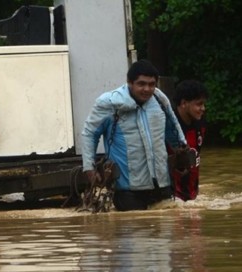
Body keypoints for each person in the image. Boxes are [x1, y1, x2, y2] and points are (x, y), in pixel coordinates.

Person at [80, 60, 187, 211]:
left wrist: (181, 152)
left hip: (162, 184)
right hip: (127, 190)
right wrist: (89, 168)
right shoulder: (110, 103)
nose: (147, 89)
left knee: (166, 230)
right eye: (141, 84)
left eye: (151, 84)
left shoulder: (159, 99)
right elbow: (90, 134)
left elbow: (172, 128)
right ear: (129, 82)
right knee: (134, 229)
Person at [171, 80, 207, 201]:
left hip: (192, 195)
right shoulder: (168, 126)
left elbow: (196, 158)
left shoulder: (200, 123)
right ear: (184, 103)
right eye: (199, 104)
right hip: (172, 196)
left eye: (203, 104)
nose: (203, 108)